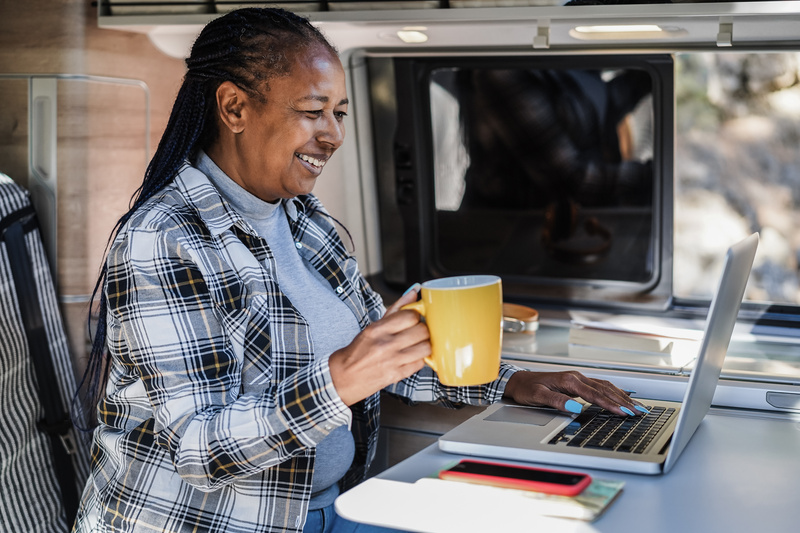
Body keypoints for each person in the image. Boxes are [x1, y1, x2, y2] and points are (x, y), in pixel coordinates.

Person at [72, 8, 647, 533]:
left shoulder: (305, 220)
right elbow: (199, 449)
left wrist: (515, 383)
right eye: (312, 112)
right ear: (234, 108)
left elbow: (387, 359)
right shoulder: (163, 237)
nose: (334, 135)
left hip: (326, 508)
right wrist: (340, 379)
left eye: (340, 113)